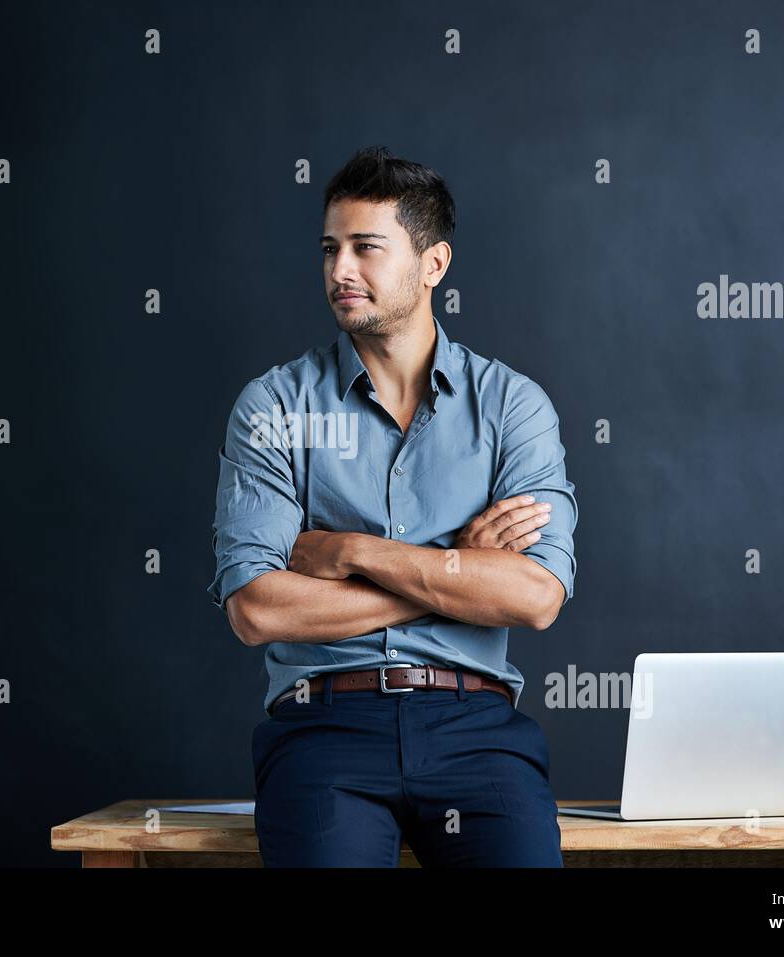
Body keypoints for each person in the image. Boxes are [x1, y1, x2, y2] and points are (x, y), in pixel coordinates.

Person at [206, 145, 577, 867]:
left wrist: (349, 554)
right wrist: (460, 573)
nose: (339, 270)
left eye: (365, 248)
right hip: (323, 730)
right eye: (329, 248)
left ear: (433, 264)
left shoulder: (512, 406)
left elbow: (536, 598)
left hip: (478, 729)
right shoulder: (275, 405)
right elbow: (256, 608)